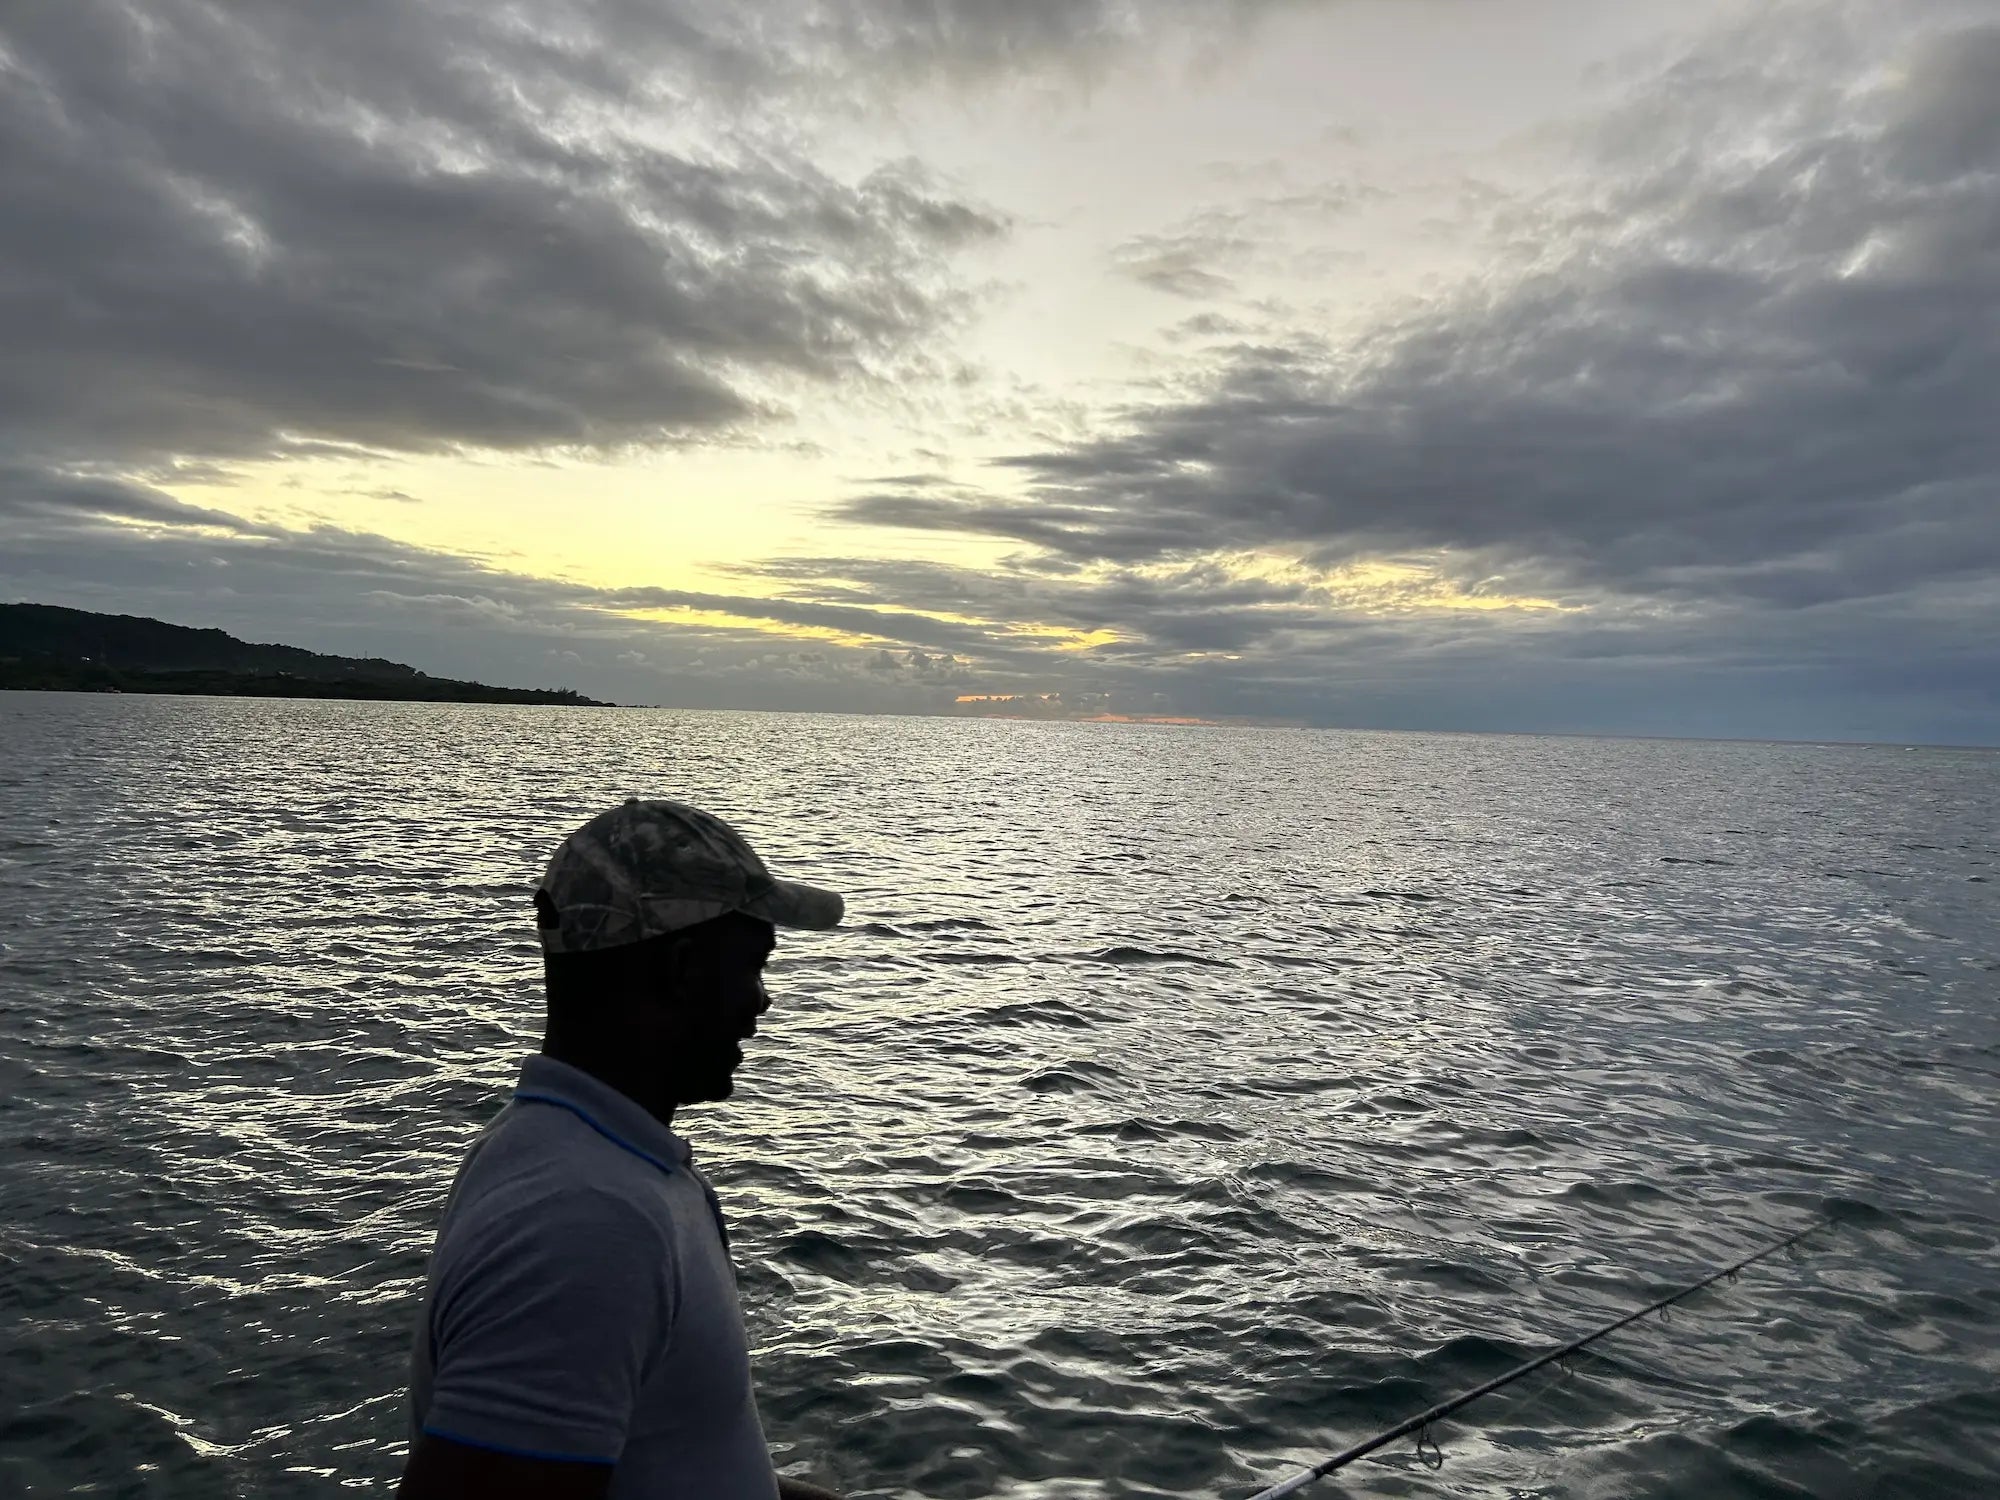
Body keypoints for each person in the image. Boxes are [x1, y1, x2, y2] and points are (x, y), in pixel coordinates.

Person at [397, 798, 847, 1500]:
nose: (761, 1001)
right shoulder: (586, 1219)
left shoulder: (578, 1157)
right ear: (681, 968)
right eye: (752, 966)